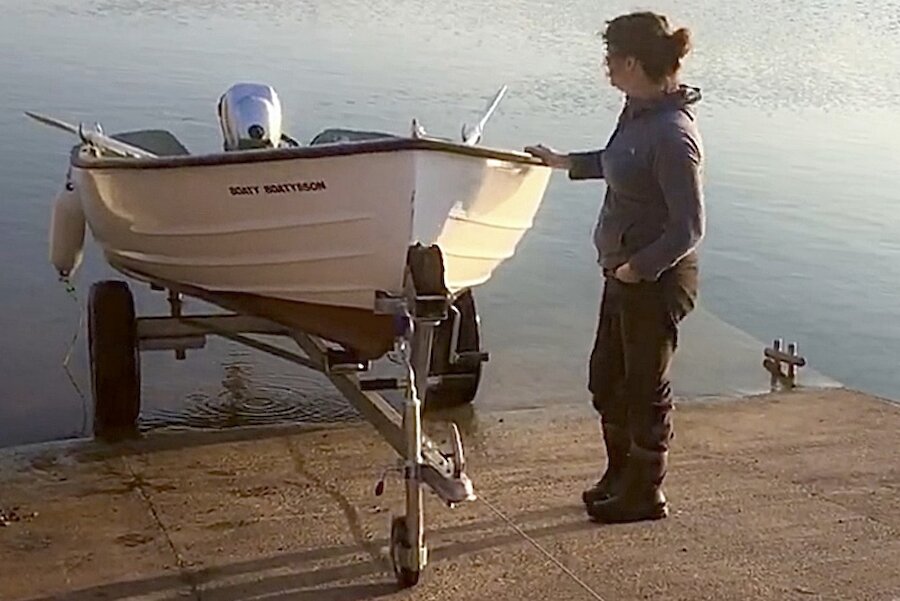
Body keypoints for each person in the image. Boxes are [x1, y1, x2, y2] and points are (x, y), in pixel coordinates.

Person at [525, 11, 705, 523]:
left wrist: (638, 269)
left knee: (645, 388)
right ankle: (619, 475)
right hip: (623, 274)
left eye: (609, 58)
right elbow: (616, 160)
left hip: (656, 281)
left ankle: (645, 494)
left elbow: (689, 227)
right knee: (606, 380)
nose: (604, 67)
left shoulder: (673, 135)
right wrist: (563, 162)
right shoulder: (637, 112)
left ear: (631, 61)